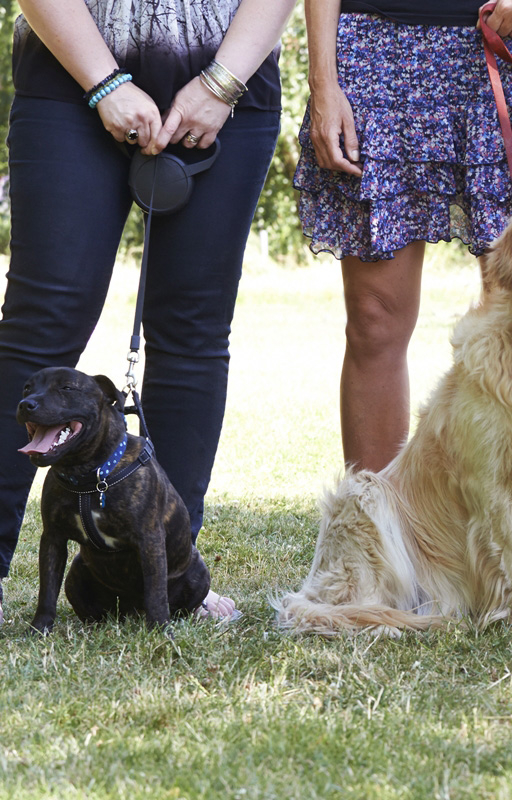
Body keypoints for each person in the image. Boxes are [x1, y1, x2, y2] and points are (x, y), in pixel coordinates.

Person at [292, 0, 512, 615]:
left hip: (497, 44)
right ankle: (388, 551)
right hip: (373, 50)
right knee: (376, 321)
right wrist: (323, 82)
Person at [0, 0, 295, 623]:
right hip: (69, 63)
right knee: (41, 322)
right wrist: (104, 82)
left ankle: (177, 575)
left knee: (192, 328)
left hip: (230, 80)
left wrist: (221, 83)